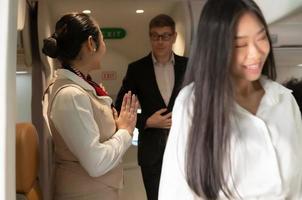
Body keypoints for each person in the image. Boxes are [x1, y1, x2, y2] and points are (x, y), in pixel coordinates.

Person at [159, 0, 302, 199]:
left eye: (261, 38)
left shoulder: (285, 101)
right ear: (215, 48)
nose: (255, 53)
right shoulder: (193, 103)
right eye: (240, 44)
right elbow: (175, 191)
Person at [42, 13, 139, 200]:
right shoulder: (71, 96)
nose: (105, 44)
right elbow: (96, 163)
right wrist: (125, 132)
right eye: (102, 38)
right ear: (91, 44)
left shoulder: (82, 87)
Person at [115, 14, 188, 200]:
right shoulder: (137, 69)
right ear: (150, 37)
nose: (160, 41)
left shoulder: (189, 66)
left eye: (165, 36)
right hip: (151, 153)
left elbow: (201, 104)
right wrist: (146, 121)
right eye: (155, 36)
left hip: (185, 149)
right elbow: (119, 107)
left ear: (174, 37)